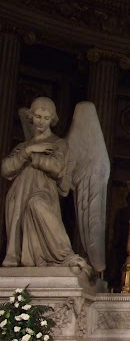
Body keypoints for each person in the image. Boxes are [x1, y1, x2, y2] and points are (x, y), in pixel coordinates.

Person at [1, 97, 88, 272]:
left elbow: (57, 168)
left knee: (37, 204)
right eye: (38, 116)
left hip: (43, 189)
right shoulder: (23, 146)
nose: (41, 122)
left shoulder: (58, 143)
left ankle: (64, 254)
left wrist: (33, 156)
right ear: (31, 116)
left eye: (46, 118)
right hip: (19, 194)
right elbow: (6, 169)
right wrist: (28, 150)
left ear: (52, 120)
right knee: (20, 220)